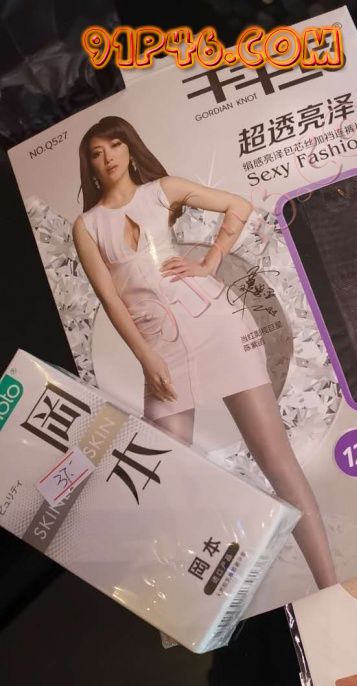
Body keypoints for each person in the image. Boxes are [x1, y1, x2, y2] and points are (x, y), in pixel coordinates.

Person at [72, 115, 336, 589]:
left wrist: (211, 261)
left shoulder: (162, 191)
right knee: (162, 469)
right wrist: (147, 359)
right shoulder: (88, 225)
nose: (108, 156)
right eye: (96, 152)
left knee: (277, 460)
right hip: (161, 348)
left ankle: (329, 583)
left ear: (129, 149)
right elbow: (111, 301)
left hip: (218, 327)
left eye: (115, 145)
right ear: (89, 164)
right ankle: (201, 585)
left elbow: (238, 205)